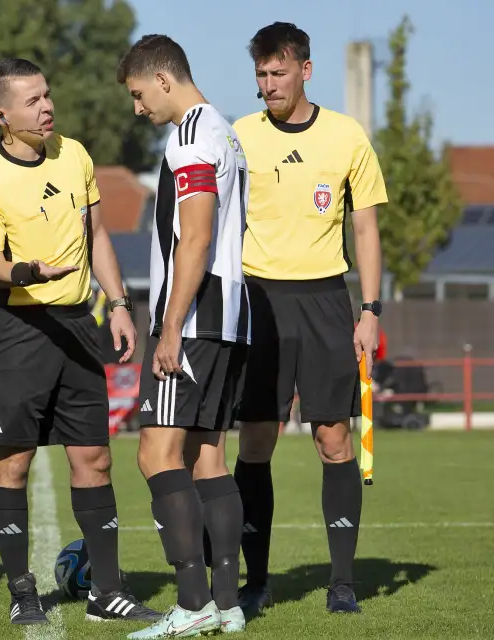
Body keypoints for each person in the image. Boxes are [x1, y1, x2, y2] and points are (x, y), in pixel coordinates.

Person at [0, 57, 160, 626]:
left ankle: (107, 590)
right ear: (2, 115)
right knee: (13, 463)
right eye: (31, 101)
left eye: (47, 95)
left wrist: (118, 304)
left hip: (78, 325)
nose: (46, 107)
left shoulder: (74, 155)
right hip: (18, 328)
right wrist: (28, 272)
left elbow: (96, 235)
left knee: (95, 457)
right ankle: (23, 590)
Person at [232, 22, 387, 616]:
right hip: (259, 299)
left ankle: (342, 581)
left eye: (278, 72)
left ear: (305, 70)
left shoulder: (346, 136)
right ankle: (256, 580)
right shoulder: (240, 136)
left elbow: (366, 228)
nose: (269, 84)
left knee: (333, 438)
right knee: (257, 440)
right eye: (261, 75)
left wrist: (370, 310)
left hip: (326, 299)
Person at [115, 35, 251, 638]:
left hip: (194, 321)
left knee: (156, 455)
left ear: (163, 80)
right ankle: (227, 604)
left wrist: (169, 325)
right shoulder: (227, 132)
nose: (138, 109)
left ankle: (192, 604)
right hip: (229, 319)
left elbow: (194, 237)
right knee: (209, 460)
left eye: (139, 95)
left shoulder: (194, 135)